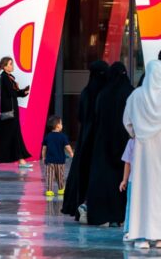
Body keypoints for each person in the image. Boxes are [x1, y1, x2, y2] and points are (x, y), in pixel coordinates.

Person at [120, 59, 161, 249]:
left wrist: (137, 133)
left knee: (142, 190)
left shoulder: (135, 96)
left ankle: (141, 237)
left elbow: (127, 122)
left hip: (143, 152)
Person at [85, 62, 132, 226]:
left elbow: (96, 116)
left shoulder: (103, 93)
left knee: (104, 179)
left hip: (103, 142)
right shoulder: (130, 93)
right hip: (124, 141)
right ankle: (121, 216)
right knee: (123, 178)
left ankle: (103, 214)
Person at [62, 60, 108, 218]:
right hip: (99, 137)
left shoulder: (86, 92)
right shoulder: (105, 93)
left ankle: (79, 203)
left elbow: (80, 116)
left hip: (85, 137)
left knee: (82, 171)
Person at [0, 57, 32, 168]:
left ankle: (20, 160)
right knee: (2, 135)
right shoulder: (4, 77)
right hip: (8, 112)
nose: (12, 66)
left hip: (12, 111)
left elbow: (13, 93)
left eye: (12, 64)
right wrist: (21, 91)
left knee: (14, 134)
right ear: (4, 66)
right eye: (10, 64)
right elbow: (12, 92)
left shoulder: (9, 77)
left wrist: (23, 92)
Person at [41, 115, 73, 197]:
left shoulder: (48, 136)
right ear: (58, 125)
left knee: (49, 176)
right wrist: (71, 153)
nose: (62, 125)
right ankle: (61, 189)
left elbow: (44, 148)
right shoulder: (63, 136)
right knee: (60, 176)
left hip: (49, 161)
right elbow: (67, 146)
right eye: (61, 123)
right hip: (60, 161)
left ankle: (49, 191)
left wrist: (43, 157)